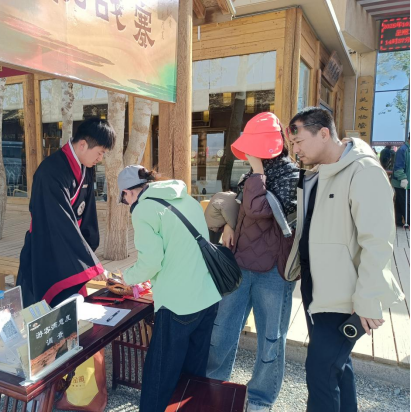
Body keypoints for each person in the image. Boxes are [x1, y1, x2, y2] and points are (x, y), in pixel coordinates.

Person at [285, 107, 405, 412]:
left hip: (345, 296)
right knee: (337, 367)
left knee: (320, 373)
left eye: (299, 141)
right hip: (317, 287)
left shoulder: (363, 171)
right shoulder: (320, 171)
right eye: (292, 144)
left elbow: (377, 242)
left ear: (324, 133)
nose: (295, 150)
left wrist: (368, 298)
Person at [207, 112, 299, 412]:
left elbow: (261, 210)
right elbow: (242, 205)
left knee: (271, 337)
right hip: (241, 263)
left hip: (273, 270)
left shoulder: (291, 175)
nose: (248, 154)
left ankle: (260, 397)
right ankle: (212, 383)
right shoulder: (251, 175)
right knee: (222, 328)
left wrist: (258, 170)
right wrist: (230, 223)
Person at [117, 165, 221, 412]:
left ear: (129, 192)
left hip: (178, 304)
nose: (126, 203)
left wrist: (127, 277)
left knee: (160, 377)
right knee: (194, 374)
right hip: (208, 296)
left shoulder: (143, 209)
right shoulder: (186, 198)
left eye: (123, 198)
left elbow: (152, 262)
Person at [16, 118, 116, 308]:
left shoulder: (85, 169)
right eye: (100, 152)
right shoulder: (50, 172)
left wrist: (88, 255)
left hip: (70, 247)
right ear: (83, 145)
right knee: (41, 309)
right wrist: (89, 263)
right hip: (45, 247)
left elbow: (88, 215)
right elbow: (60, 221)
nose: (100, 158)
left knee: (72, 308)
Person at [392, 136, 410, 227]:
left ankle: (398, 222)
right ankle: (408, 222)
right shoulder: (403, 150)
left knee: (399, 203)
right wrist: (403, 178)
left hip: (408, 182)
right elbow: (398, 167)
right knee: (405, 203)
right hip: (401, 183)